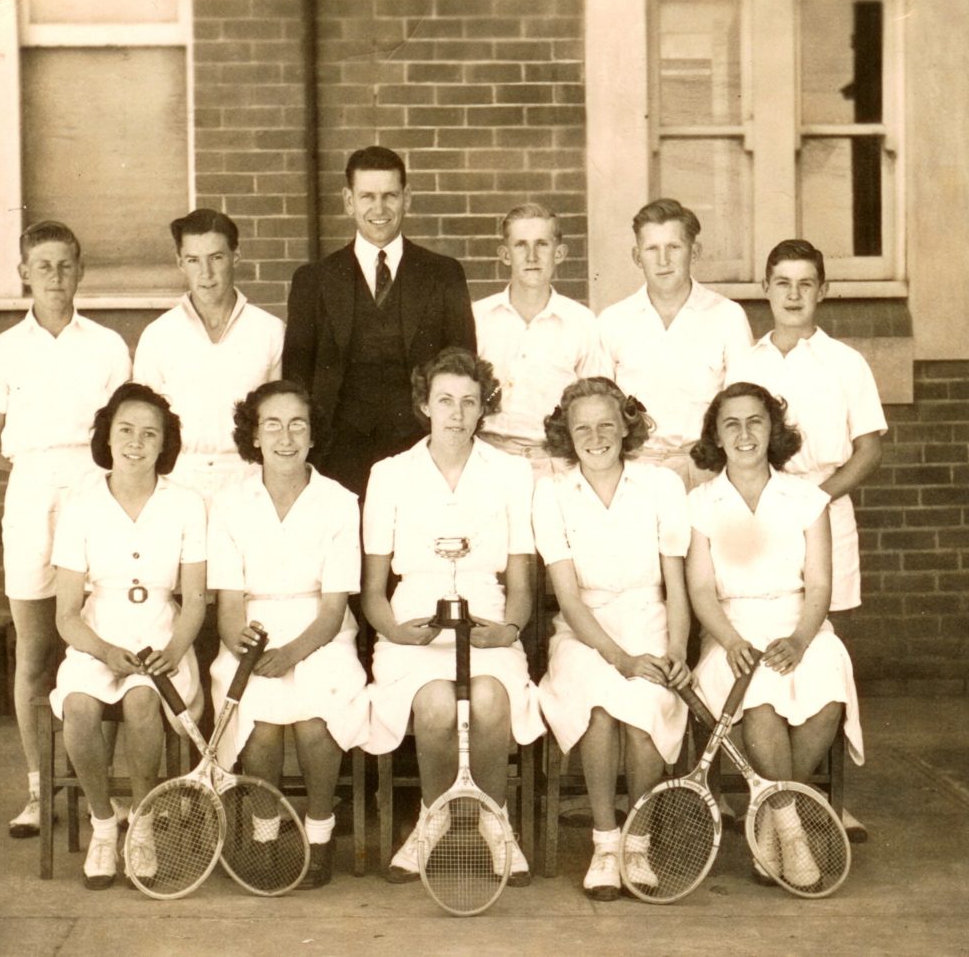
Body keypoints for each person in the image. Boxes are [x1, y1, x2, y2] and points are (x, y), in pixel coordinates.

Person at [361, 347, 544, 885]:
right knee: (437, 706)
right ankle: (434, 818)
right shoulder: (389, 474)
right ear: (425, 405)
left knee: (489, 700)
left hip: (488, 620)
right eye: (445, 400)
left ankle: (494, 823)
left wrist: (508, 630)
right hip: (412, 625)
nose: (457, 414)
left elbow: (521, 582)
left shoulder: (512, 472)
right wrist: (396, 631)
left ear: (484, 407)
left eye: (469, 401)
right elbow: (373, 591)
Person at [0, 220, 131, 838]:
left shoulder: (109, 346)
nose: (55, 277)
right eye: (43, 266)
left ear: (81, 270)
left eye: (66, 265)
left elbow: (123, 434)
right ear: (24, 274)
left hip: (96, 496)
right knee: (35, 651)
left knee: (101, 645)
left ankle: (100, 791)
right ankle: (40, 789)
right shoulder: (1, 350)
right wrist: (42, 474)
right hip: (33, 498)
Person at [726, 240, 885, 839]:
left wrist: (816, 499)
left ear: (823, 290)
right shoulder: (746, 362)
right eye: (782, 283)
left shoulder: (846, 362)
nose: (793, 295)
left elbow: (868, 449)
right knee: (761, 662)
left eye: (805, 283)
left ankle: (816, 799)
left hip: (824, 508)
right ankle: (783, 802)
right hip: (758, 517)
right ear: (765, 289)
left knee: (818, 656)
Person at [686, 382, 863, 886]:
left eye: (755, 421)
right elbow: (701, 589)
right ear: (716, 436)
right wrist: (730, 640)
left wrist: (802, 640)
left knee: (829, 679)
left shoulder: (807, 498)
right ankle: (792, 834)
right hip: (731, 631)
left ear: (772, 429)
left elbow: (820, 584)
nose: (744, 434)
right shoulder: (701, 502)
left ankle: (768, 818)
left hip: (799, 625)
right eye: (731, 424)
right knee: (760, 695)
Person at [207, 380, 369, 890]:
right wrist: (242, 642)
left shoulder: (340, 501)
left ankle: (319, 835)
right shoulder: (228, 502)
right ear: (253, 435)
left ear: (313, 435)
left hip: (321, 635)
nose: (285, 437)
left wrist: (292, 654)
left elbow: (334, 609)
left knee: (316, 719)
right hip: (253, 634)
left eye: (298, 425)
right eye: (272, 425)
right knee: (261, 723)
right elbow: (229, 606)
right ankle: (265, 836)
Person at [533, 377, 691, 900]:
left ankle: (637, 844)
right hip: (585, 632)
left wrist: (676, 651)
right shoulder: (551, 493)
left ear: (627, 426)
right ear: (566, 434)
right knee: (598, 708)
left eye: (606, 425)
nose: (596, 437)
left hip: (651, 620)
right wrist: (620, 658)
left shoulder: (663, 485)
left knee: (644, 710)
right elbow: (569, 599)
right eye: (582, 428)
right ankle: (605, 843)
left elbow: (676, 585)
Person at [49, 383, 206, 889]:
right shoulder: (79, 504)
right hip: (97, 635)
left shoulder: (187, 503)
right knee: (78, 706)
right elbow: (66, 615)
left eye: (150, 434)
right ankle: (103, 824)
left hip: (163, 634)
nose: (136, 443)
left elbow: (195, 600)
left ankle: (142, 823)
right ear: (107, 437)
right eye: (125, 430)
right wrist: (103, 650)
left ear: (165, 444)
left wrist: (173, 652)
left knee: (142, 702)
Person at [284, 146, 476, 497]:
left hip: (422, 450)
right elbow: (297, 378)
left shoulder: (443, 274)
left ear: (407, 198)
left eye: (390, 195)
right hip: (338, 455)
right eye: (367, 196)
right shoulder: (313, 281)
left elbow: (464, 368)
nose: (379, 208)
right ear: (349, 201)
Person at [133, 208, 285, 506]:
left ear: (235, 257)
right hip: (178, 479)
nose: (206, 273)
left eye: (216, 257)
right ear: (180, 263)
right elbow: (144, 422)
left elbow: (281, 418)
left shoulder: (270, 330)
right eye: (193, 260)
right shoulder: (158, 335)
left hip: (249, 479)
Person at [598, 198, 753, 490]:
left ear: (694, 252)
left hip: (705, 470)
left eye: (674, 247)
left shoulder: (727, 316)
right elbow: (599, 410)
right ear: (637, 256)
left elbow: (742, 406)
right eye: (652, 249)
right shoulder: (613, 321)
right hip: (635, 472)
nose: (663, 260)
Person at [473, 203, 610, 478]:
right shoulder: (478, 317)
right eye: (520, 245)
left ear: (559, 253)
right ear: (505, 254)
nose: (532, 256)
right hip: (488, 460)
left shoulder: (581, 321)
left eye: (542, 244)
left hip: (556, 463)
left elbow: (596, 402)